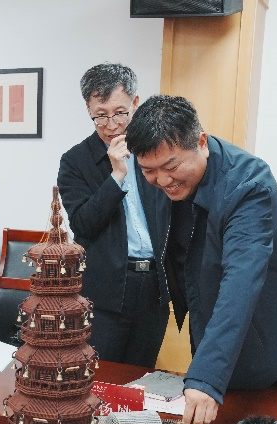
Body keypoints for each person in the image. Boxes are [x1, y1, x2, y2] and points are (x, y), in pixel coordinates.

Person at [126, 95, 277, 424]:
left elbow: (241, 281)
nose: (162, 180)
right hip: (207, 317)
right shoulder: (159, 173)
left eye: (171, 167)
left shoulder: (249, 184)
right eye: (149, 171)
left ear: (201, 142)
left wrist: (207, 376)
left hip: (257, 330)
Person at [57, 63, 170, 368]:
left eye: (120, 112)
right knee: (100, 375)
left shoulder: (156, 152)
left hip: (155, 287)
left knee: (141, 376)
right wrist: (116, 175)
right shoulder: (75, 161)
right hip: (105, 290)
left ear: (136, 103)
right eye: (101, 115)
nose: (111, 125)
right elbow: (84, 224)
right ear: (88, 109)